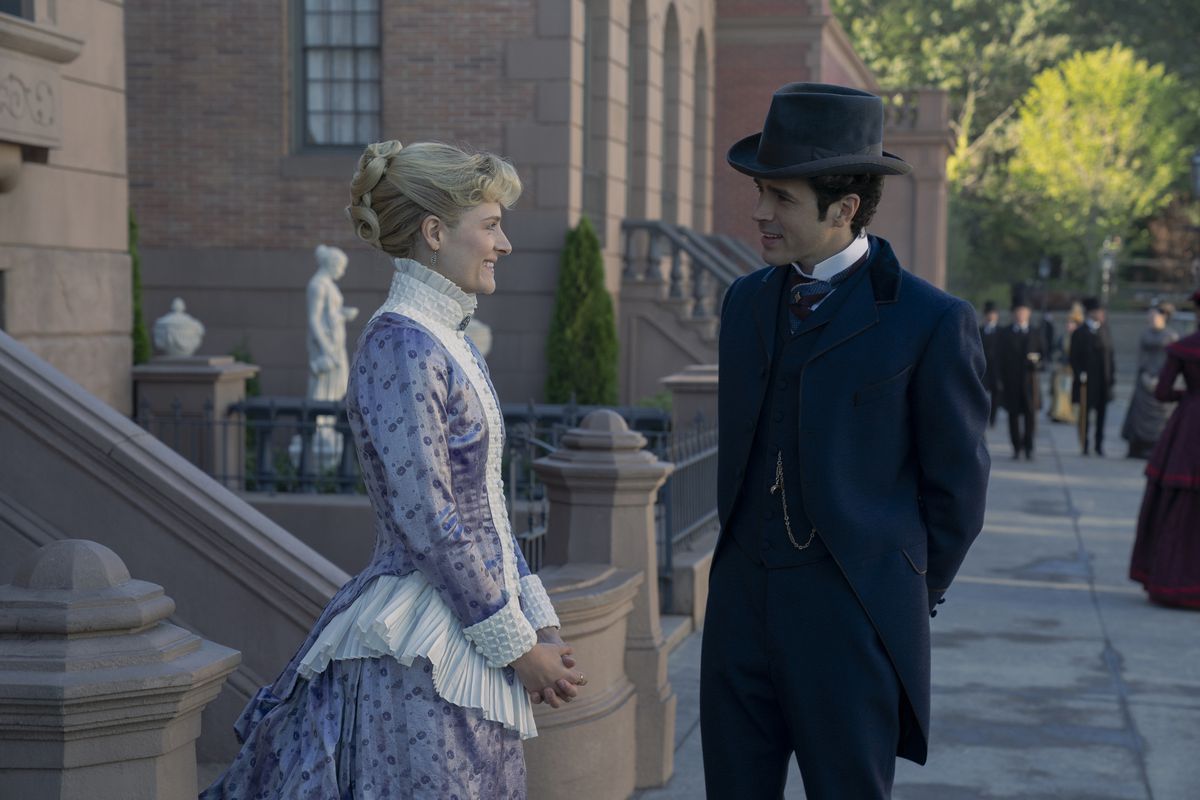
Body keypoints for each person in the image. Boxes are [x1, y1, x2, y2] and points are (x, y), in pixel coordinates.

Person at [202, 140, 585, 799]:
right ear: (435, 233)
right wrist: (518, 646)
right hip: (416, 653)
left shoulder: (445, 339)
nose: (505, 244)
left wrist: (536, 620)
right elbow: (430, 518)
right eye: (490, 225)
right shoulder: (402, 343)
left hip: (468, 633)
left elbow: (484, 505)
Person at [701, 83, 990, 799]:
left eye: (782, 199)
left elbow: (957, 491)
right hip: (738, 609)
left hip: (852, 614)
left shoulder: (929, 320)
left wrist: (896, 586)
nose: (760, 213)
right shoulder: (743, 302)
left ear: (844, 208)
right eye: (761, 192)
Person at [1129, 289, 1200, 609]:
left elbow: (1161, 391)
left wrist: (1186, 399)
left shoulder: (1183, 348)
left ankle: (1170, 578)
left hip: (1188, 428)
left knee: (1177, 501)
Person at [1121, 303, 1179, 458]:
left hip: (1161, 380)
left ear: (1164, 317)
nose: (1151, 319)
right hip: (1144, 378)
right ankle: (1136, 446)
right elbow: (1141, 356)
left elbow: (1173, 362)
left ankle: (1155, 447)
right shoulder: (1145, 334)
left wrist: (1161, 379)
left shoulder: (1171, 336)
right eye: (1150, 315)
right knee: (1138, 414)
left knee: (1160, 416)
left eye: (1155, 315)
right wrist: (1143, 374)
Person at [995, 291, 1045, 459]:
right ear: (1013, 313)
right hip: (1011, 381)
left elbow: (1043, 355)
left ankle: (1029, 446)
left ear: (1029, 313)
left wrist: (1037, 362)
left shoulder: (1035, 333)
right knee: (1013, 416)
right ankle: (1016, 447)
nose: (1021, 314)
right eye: (1018, 311)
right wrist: (1000, 379)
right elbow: (999, 358)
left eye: (1024, 311)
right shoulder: (1005, 333)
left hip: (1030, 381)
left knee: (1031, 415)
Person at [1070, 297, 1116, 455]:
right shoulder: (1079, 332)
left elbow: (1111, 355)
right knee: (1085, 414)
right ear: (1090, 313)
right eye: (1098, 311)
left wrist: (1112, 377)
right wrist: (1079, 373)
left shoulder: (1105, 330)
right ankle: (1085, 443)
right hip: (1086, 381)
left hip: (1102, 380)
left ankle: (1098, 444)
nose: (1101, 314)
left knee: (1102, 415)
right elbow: (1073, 357)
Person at [1049, 302, 1084, 423]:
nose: (1068, 325)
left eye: (1071, 323)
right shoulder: (1063, 337)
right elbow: (1057, 350)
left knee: (1069, 392)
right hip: (1063, 368)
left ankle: (1068, 414)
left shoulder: (1080, 337)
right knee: (1060, 390)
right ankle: (1058, 412)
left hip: (1073, 369)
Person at [980, 300, 1001, 427]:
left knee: (996, 394)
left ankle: (993, 418)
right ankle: (982, 416)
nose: (991, 316)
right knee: (982, 393)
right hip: (983, 368)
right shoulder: (979, 330)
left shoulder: (1001, 331)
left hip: (997, 368)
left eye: (993, 313)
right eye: (989, 313)